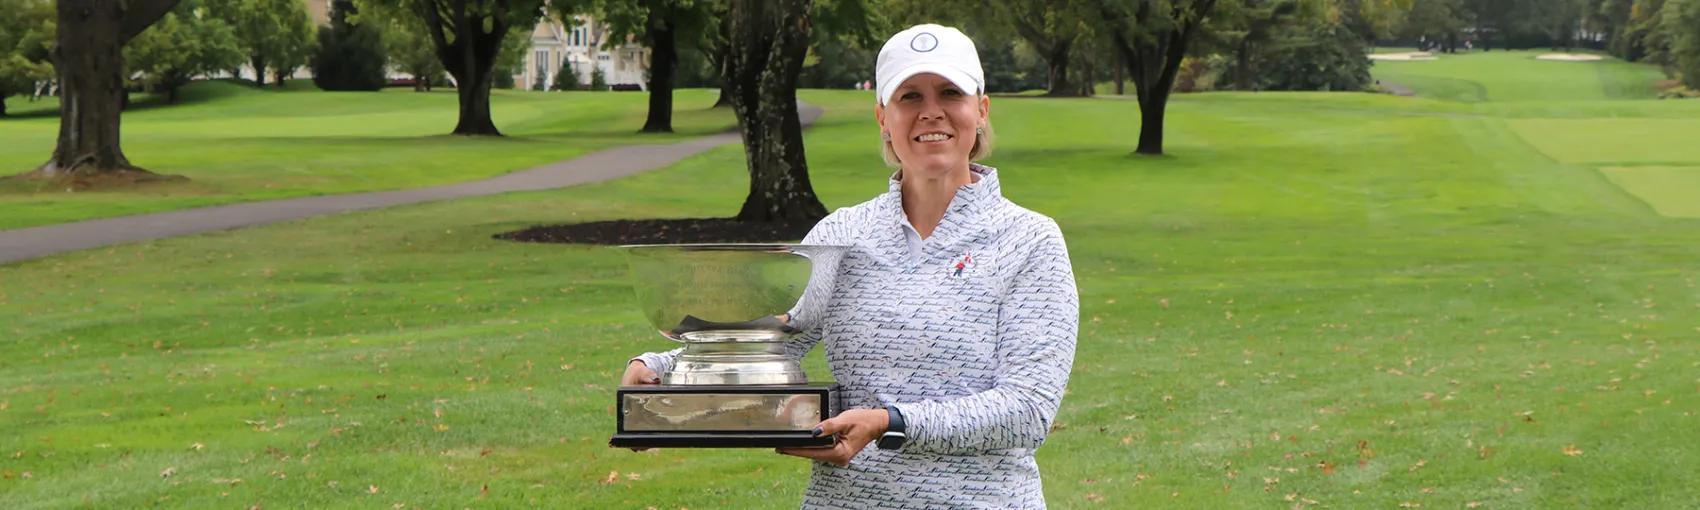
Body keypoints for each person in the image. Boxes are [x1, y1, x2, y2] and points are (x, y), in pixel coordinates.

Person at [621, 23, 1080, 509]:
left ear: (981, 110)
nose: (931, 111)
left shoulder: (1030, 241)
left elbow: (1027, 410)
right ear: (883, 116)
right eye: (908, 96)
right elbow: (778, 343)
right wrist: (664, 374)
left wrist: (889, 423)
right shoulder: (842, 234)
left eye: (950, 92)